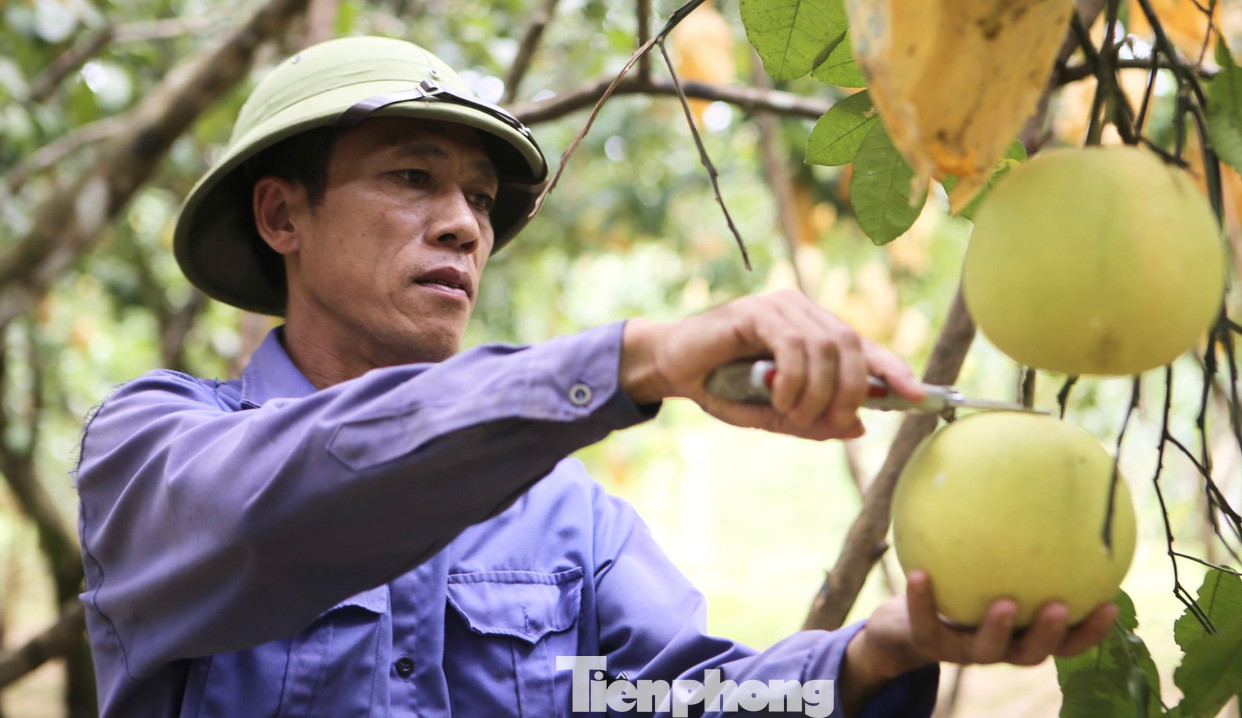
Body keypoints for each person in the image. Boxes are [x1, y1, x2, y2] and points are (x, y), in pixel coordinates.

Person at [75, 36, 1117, 718]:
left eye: (480, 199)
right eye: (410, 176)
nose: (462, 223)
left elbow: (665, 703)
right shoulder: (153, 449)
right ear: (280, 216)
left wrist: (873, 655)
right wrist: (642, 356)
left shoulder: (565, 519)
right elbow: (289, 501)